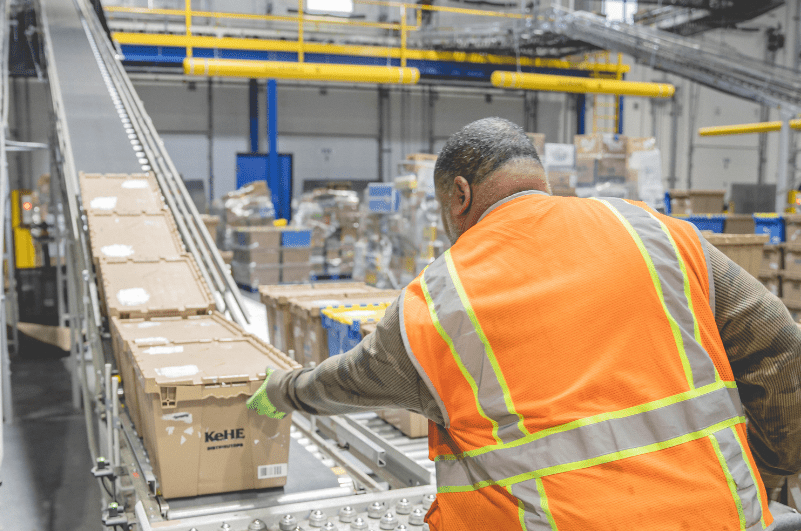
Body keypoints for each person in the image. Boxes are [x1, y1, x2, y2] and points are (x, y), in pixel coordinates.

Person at [247, 117, 801, 530]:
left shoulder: (436, 302)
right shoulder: (658, 234)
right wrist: (771, 468)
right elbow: (780, 350)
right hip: (720, 517)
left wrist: (284, 389)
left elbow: (350, 380)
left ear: (459, 196)